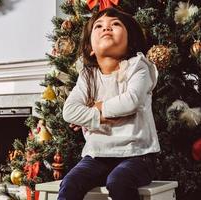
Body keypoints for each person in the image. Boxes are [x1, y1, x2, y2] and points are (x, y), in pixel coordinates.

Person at [59, 7, 160, 200]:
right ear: (90, 47)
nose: (106, 28)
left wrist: (93, 109)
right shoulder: (88, 76)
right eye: (99, 26)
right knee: (70, 183)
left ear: (130, 41)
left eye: (115, 24)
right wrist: (99, 116)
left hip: (137, 155)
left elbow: (131, 101)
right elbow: (69, 111)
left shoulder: (138, 67)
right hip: (97, 155)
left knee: (119, 181)